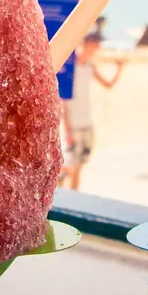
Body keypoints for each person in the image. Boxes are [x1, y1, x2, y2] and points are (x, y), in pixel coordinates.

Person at [61, 32, 123, 190]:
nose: (97, 48)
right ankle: (60, 195)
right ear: (89, 43)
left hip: (87, 121)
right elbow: (63, 99)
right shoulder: (70, 66)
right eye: (96, 44)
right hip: (73, 123)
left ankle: (74, 197)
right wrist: (67, 127)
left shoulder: (90, 66)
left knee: (79, 166)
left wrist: (119, 69)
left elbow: (108, 85)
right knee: (68, 167)